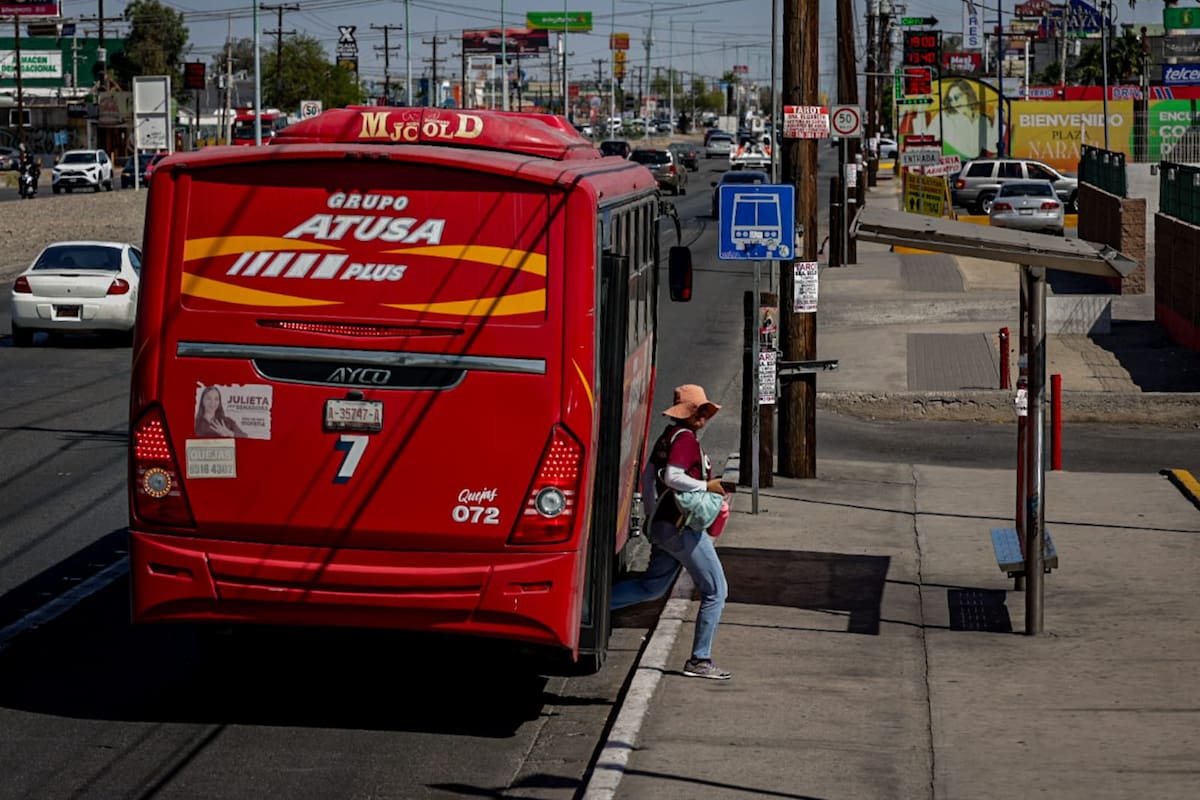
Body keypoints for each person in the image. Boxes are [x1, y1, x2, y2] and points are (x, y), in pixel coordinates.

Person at [612, 384, 732, 680]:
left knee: (650, 587)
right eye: (701, 410)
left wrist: (654, 518)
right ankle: (700, 660)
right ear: (691, 414)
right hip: (682, 527)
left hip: (666, 526)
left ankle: (589, 610)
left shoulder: (666, 438)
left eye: (705, 410)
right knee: (716, 590)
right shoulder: (685, 440)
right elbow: (671, 476)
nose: (705, 416)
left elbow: (650, 477)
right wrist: (707, 486)